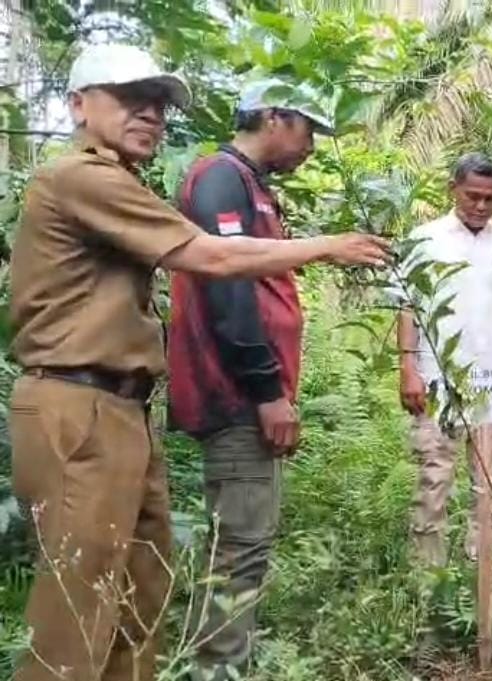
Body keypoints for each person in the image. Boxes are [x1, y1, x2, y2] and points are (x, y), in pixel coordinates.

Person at [7, 44, 388, 681]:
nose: (150, 114)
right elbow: (212, 259)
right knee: (78, 610)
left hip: (122, 408)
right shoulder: (79, 178)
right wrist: (327, 246)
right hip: (77, 406)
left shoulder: (123, 183)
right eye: (130, 98)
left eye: (158, 104)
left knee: (140, 595)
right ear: (77, 104)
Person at [165, 78, 336, 681]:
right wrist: (267, 392)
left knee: (245, 545)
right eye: (308, 130)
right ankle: (217, 670)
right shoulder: (220, 177)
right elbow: (228, 289)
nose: (311, 146)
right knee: (238, 550)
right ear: (272, 117)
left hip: (248, 397)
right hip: (234, 396)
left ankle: (224, 664)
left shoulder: (253, 186)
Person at [388, 152, 492, 566]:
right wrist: (408, 369)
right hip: (439, 378)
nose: (481, 206)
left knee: (491, 483)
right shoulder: (424, 241)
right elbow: (407, 308)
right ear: (452, 189)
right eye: (473, 196)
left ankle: (482, 569)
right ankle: (428, 574)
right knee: (434, 477)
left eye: (491, 198)